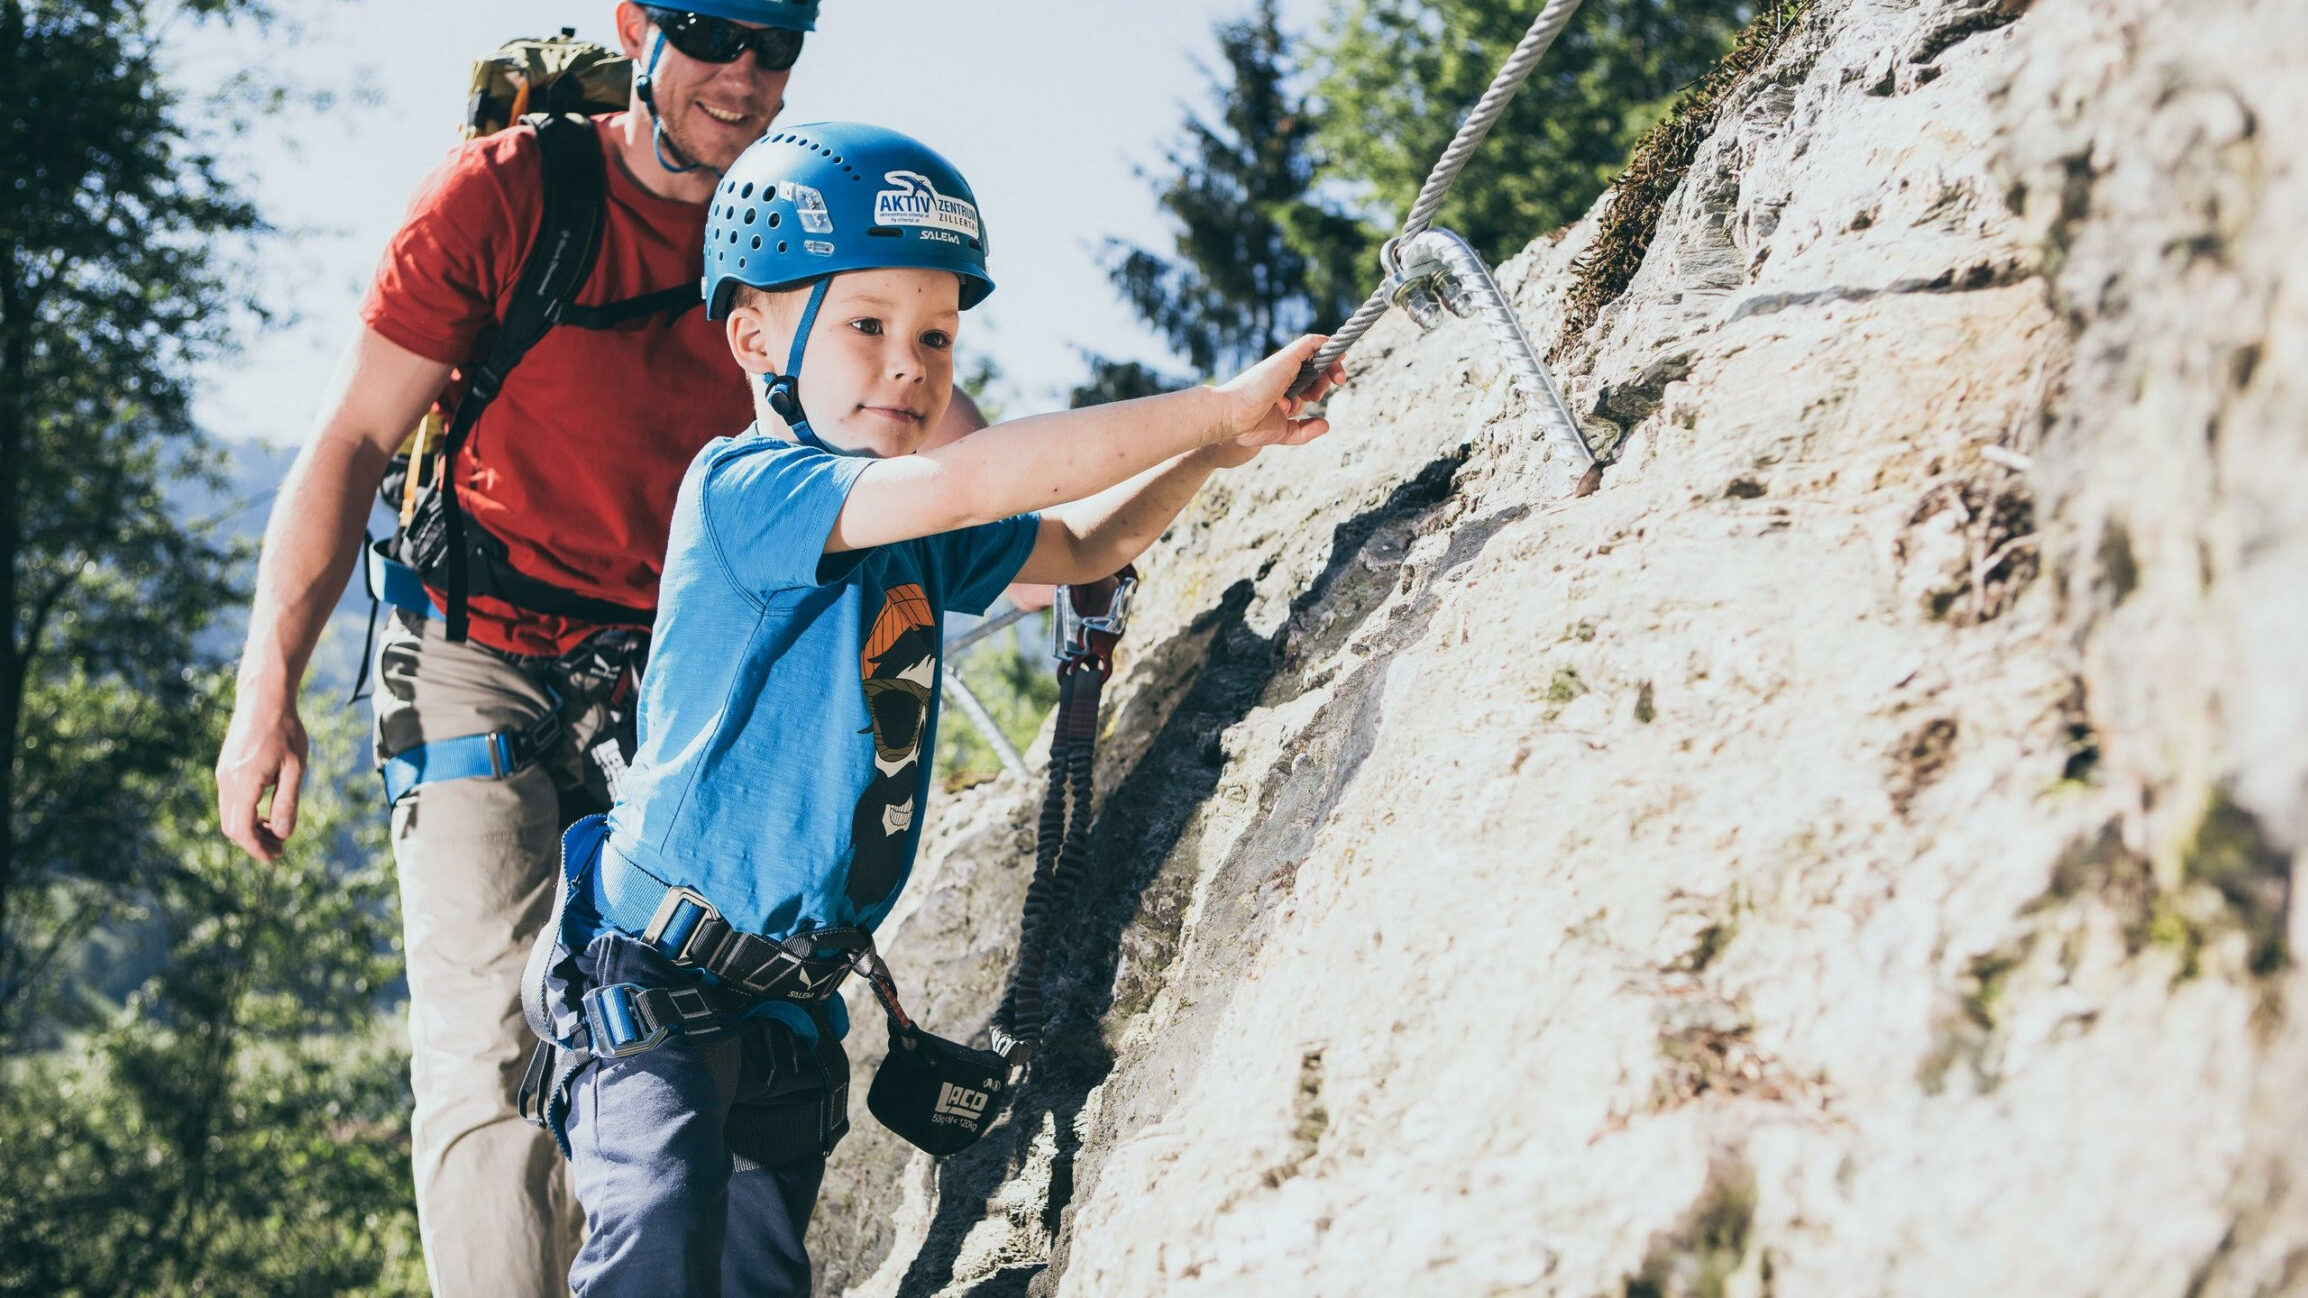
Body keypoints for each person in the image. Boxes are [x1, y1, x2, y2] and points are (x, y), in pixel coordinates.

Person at [210, 5, 999, 1294]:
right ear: (639, 25)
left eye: (776, 42)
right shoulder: (509, 198)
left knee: (697, 1037)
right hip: (475, 649)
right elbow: (353, 437)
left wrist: (1139, 495)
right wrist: (266, 697)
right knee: (496, 1051)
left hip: (678, 679)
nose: (742, 75)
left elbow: (951, 462)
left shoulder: (803, 217)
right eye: (709, 29)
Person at [524, 121, 1343, 1296]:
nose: (911, 364)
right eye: (867, 327)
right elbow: (978, 474)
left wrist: (1214, 458)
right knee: (652, 1245)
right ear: (757, 334)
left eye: (938, 335)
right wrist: (1213, 406)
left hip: (788, 996)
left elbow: (1078, 541)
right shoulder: (747, 490)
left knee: (760, 1275)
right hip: (653, 978)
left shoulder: (912, 534)